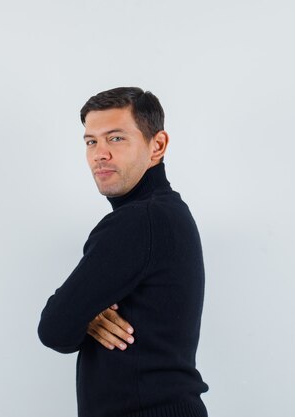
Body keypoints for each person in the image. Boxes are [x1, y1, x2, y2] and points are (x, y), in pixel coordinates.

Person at [37, 87, 209, 417]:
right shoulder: (168, 213)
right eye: (91, 141)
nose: (100, 153)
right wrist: (87, 314)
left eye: (116, 139)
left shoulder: (138, 221)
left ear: (157, 146)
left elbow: (55, 329)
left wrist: (82, 314)